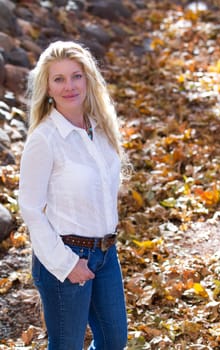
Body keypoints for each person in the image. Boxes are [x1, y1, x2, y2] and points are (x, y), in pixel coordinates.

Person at [18, 40, 128, 350]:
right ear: (48, 88)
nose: (69, 86)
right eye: (59, 79)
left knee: (113, 341)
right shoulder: (45, 139)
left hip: (106, 254)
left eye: (76, 76)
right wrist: (66, 264)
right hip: (66, 256)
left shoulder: (101, 128)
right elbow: (30, 208)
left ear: (88, 79)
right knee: (66, 346)